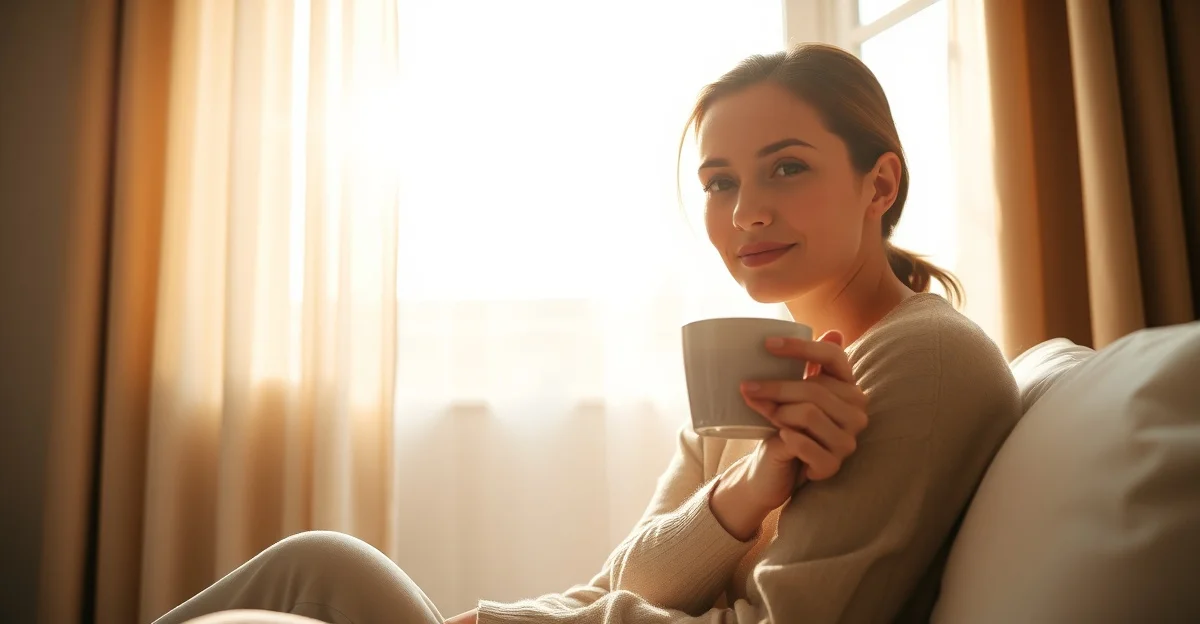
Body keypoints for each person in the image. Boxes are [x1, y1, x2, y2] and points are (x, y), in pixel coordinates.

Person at [152, 43, 1020, 624]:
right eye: (720, 182)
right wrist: (751, 487)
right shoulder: (751, 370)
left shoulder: (924, 357)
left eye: (786, 168)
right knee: (312, 569)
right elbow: (626, 582)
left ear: (880, 183)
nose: (746, 211)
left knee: (318, 569)